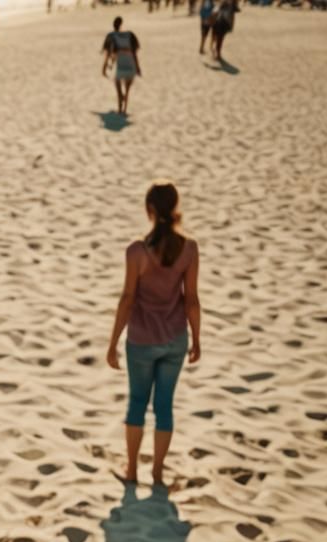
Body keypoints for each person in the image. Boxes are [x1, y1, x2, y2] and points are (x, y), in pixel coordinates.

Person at [106, 182, 200, 488]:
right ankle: (157, 473)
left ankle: (132, 471)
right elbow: (192, 299)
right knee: (164, 407)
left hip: (142, 339)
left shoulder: (137, 252)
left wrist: (113, 342)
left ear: (149, 210)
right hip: (175, 338)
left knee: (136, 403)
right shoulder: (189, 249)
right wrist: (197, 338)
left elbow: (127, 298)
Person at [102, 17, 141, 115]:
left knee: (118, 85)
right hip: (131, 64)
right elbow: (135, 53)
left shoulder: (111, 36)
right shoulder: (130, 35)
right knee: (127, 89)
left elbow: (108, 54)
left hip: (120, 66)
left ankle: (120, 108)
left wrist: (104, 67)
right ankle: (124, 110)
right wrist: (138, 68)